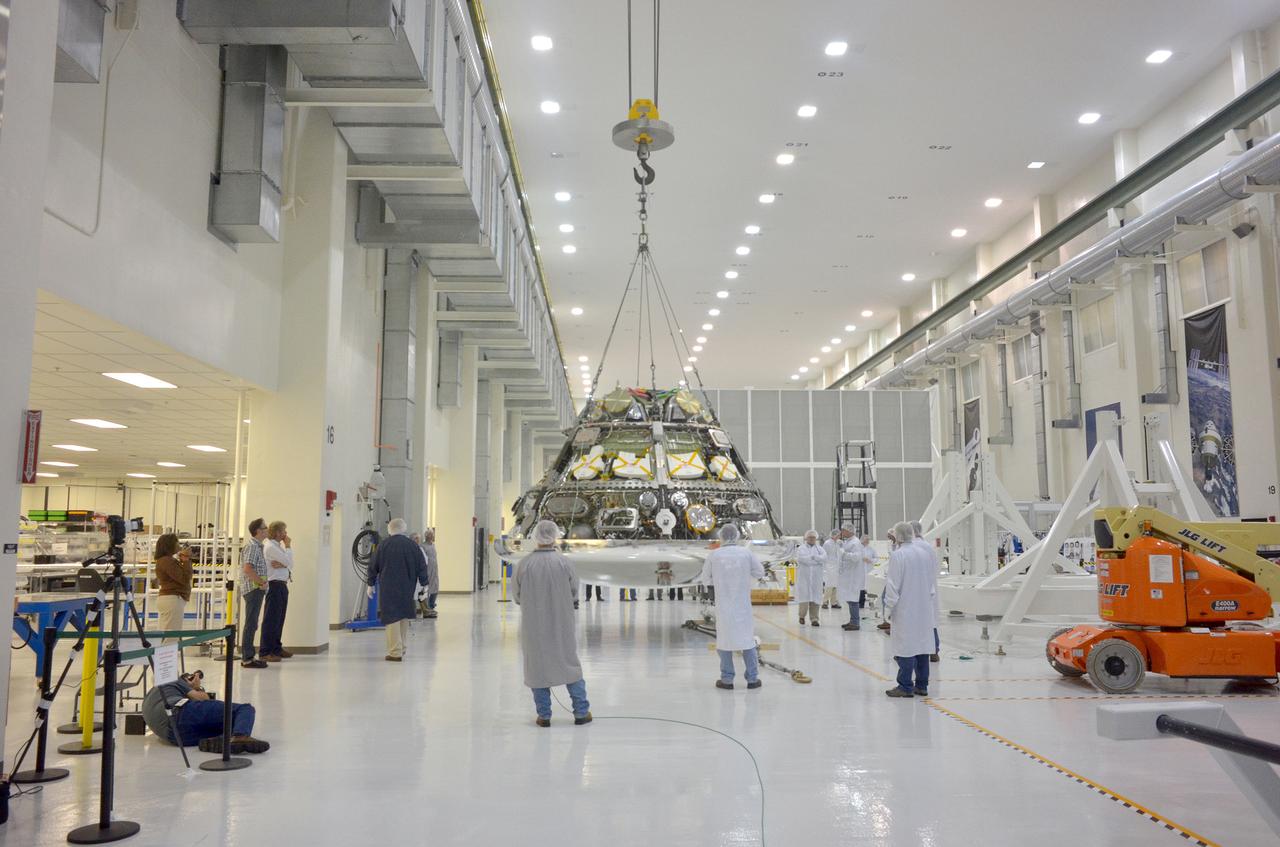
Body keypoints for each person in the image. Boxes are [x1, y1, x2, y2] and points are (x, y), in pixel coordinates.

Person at [514, 520, 591, 727]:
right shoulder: (564, 563)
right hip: (561, 623)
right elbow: (574, 590)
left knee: (537, 669)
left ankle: (544, 716)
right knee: (568, 664)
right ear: (555, 535)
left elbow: (517, 596)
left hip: (534, 625)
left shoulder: (524, 564)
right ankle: (581, 713)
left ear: (536, 537)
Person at [698, 525, 765, 690]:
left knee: (724, 641)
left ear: (721, 536)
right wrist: (745, 579)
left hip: (724, 605)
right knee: (747, 640)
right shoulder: (746, 553)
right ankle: (752, 679)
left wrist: (720, 583)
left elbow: (705, 578)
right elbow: (760, 572)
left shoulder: (714, 555)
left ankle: (727, 680)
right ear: (736, 536)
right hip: (742, 605)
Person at [141, 668, 269, 754]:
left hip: (174, 738)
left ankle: (224, 740)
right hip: (179, 712)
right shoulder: (172, 679)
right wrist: (197, 688)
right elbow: (202, 698)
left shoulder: (148, 698)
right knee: (244, 710)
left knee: (226, 725)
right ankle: (240, 736)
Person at [882, 521, 938, 698]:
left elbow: (892, 585)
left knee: (905, 647)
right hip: (924, 606)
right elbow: (931, 582)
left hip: (905, 608)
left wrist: (888, 608)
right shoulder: (923, 553)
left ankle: (905, 686)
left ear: (897, 536)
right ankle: (922, 685)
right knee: (922, 646)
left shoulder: (898, 555)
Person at [366, 518, 431, 662]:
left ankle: (395, 652)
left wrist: (370, 584)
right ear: (404, 529)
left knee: (392, 618)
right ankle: (402, 648)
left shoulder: (383, 545)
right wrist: (425, 585)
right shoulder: (413, 546)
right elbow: (422, 566)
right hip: (408, 586)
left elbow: (373, 565)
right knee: (403, 617)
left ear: (390, 529)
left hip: (389, 586)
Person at [259, 521, 294, 662]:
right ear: (278, 533)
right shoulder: (270, 547)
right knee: (271, 619)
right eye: (284, 531)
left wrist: (285, 564)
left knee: (279, 619)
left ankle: (276, 648)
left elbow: (290, 564)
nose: (286, 534)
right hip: (274, 586)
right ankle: (265, 651)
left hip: (282, 585)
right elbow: (289, 562)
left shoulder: (277, 547)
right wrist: (289, 547)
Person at [239, 518, 270, 669]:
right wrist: (261, 582)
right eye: (265, 527)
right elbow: (248, 569)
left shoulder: (258, 547)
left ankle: (248, 655)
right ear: (258, 531)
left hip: (257, 589)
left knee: (253, 623)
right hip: (253, 590)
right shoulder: (252, 547)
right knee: (251, 624)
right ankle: (247, 658)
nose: (267, 529)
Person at [911, 520, 942, 662]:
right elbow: (935, 567)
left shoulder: (911, 547)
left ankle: (914, 651)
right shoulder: (928, 547)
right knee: (931, 621)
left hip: (915, 590)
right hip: (930, 588)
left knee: (915, 622)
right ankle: (934, 651)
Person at [153, 534, 191, 645]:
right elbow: (184, 578)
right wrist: (186, 560)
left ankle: (164, 661)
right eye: (177, 543)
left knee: (168, 635)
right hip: (172, 600)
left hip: (170, 599)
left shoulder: (165, 561)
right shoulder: (167, 561)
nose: (179, 545)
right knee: (171, 638)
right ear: (170, 545)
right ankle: (166, 661)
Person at [794, 530, 826, 626]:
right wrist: (816, 560)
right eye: (810, 537)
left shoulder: (820, 549)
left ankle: (814, 619)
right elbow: (802, 559)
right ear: (806, 538)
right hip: (804, 578)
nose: (812, 539)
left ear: (816, 539)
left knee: (816, 599)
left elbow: (824, 558)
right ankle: (802, 616)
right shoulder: (801, 549)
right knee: (804, 598)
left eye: (813, 538)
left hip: (816, 579)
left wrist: (813, 557)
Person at [837, 524, 866, 631]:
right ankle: (852, 620)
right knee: (849, 598)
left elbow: (856, 557)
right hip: (848, 575)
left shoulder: (855, 542)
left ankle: (855, 623)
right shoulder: (848, 541)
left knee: (853, 599)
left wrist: (844, 554)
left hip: (853, 576)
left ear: (849, 531)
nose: (842, 533)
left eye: (843, 530)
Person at [418, 529, 441, 619]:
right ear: (426, 536)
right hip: (427, 570)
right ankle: (427, 608)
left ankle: (431, 605)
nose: (431, 536)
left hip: (434, 570)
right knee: (426, 589)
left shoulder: (433, 545)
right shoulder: (422, 546)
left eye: (432, 535)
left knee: (435, 587)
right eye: (430, 535)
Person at [821, 529, 841, 609]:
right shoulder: (827, 543)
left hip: (836, 567)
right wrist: (824, 567)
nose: (839, 536)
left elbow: (838, 555)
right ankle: (825, 602)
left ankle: (834, 603)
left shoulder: (837, 543)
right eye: (838, 535)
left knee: (835, 586)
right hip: (829, 567)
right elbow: (823, 555)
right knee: (829, 585)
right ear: (834, 535)